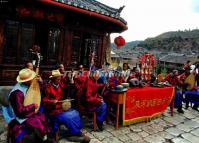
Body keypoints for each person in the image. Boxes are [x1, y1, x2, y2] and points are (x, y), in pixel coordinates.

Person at [5, 68, 55, 143]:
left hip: (26, 112)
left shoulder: (26, 85)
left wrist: (41, 82)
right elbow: (19, 111)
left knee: (42, 116)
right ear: (27, 81)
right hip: (18, 116)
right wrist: (32, 106)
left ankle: (42, 137)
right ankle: (43, 138)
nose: (33, 79)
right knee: (37, 121)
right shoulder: (17, 93)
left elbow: (39, 90)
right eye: (31, 78)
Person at [43, 70, 90, 143]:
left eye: (60, 79)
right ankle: (73, 133)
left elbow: (67, 89)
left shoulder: (60, 85)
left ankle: (76, 131)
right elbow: (44, 100)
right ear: (53, 79)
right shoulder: (48, 87)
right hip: (53, 111)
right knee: (68, 117)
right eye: (58, 79)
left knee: (75, 113)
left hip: (61, 108)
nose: (59, 80)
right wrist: (52, 101)